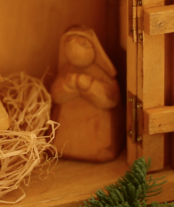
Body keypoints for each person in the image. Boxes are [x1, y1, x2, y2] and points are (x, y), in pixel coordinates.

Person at [50, 25, 121, 162]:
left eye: (83, 44)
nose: (75, 50)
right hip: (67, 127)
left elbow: (111, 98)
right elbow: (55, 95)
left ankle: (99, 151)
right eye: (69, 44)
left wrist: (90, 85)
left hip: (95, 127)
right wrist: (67, 85)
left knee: (97, 143)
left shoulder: (101, 73)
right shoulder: (66, 71)